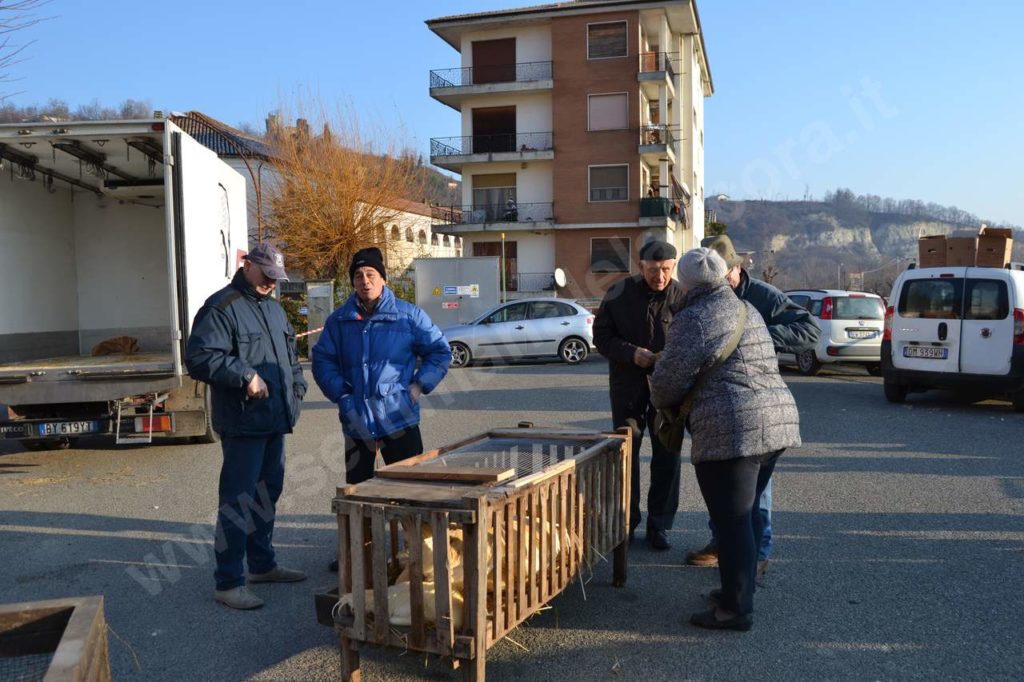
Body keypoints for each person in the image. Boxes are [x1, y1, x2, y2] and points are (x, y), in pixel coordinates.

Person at [650, 248, 801, 630]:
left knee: (732, 522)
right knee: (746, 516)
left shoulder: (695, 317)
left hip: (734, 430)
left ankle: (735, 610)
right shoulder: (746, 309)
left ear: (685, 284)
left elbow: (667, 384)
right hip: (777, 424)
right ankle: (737, 591)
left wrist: (658, 390)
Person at [684, 235, 819, 579]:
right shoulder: (703, 295)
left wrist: (754, 335)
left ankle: (757, 555)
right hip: (720, 410)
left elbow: (809, 329)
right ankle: (722, 544)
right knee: (723, 487)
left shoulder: (761, 295)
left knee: (755, 495)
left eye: (724, 273)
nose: (719, 281)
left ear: (736, 268)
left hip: (757, 408)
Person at [186, 242, 308, 610]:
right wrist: (245, 375)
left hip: (274, 420)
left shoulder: (273, 309)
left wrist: (297, 389)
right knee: (237, 502)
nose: (272, 283)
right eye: (267, 274)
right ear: (248, 264)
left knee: (267, 494)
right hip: (242, 422)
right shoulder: (221, 308)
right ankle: (228, 581)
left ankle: (262, 564)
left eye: (277, 277)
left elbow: (291, 358)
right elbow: (201, 357)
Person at [312, 247, 451, 571]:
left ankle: (418, 554)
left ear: (383, 279)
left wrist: (418, 386)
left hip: (398, 419)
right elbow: (323, 361)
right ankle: (359, 555)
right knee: (359, 494)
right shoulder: (339, 321)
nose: (364, 281)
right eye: (358, 276)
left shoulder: (408, 316)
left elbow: (440, 352)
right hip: (356, 421)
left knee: (409, 491)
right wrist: (342, 397)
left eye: (370, 275)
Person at [594, 239, 685, 550]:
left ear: (674, 267)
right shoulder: (619, 293)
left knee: (667, 458)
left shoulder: (684, 297)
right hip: (627, 387)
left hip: (669, 390)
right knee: (626, 455)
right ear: (640, 266)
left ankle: (660, 525)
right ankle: (626, 522)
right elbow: (601, 337)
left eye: (665, 270)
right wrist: (631, 353)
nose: (658, 277)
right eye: (652, 270)